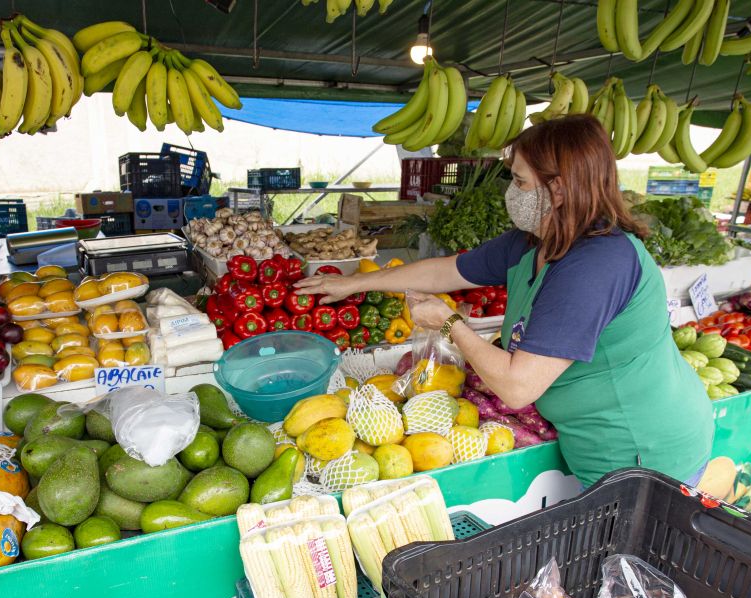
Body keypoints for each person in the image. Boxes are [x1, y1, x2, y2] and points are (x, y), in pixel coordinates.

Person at [297, 115, 714, 487]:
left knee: (632, 570)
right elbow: (447, 270)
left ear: (561, 189)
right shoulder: (536, 241)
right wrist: (355, 285)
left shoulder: (595, 266)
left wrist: (449, 322)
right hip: (597, 442)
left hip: (642, 453)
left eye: (519, 182)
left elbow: (517, 387)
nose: (510, 193)